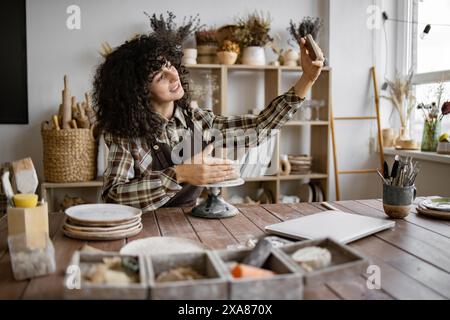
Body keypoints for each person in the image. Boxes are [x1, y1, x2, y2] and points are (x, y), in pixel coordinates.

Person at [93, 33, 324, 213]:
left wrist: (307, 79)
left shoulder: (198, 121)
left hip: (188, 223)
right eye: (160, 77)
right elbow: (113, 196)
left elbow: (257, 129)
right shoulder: (125, 134)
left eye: (169, 66)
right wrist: (179, 174)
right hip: (142, 230)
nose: (173, 77)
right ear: (139, 92)